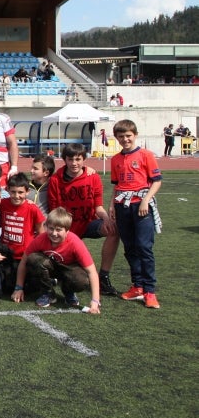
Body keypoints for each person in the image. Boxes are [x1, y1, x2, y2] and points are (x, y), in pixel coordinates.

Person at [47, 143, 119, 296]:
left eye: (78, 159)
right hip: (66, 227)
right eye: (70, 159)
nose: (74, 163)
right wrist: (64, 229)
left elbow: (98, 207)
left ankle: (104, 276)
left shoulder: (93, 177)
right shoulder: (56, 180)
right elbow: (55, 210)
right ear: (64, 160)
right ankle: (55, 275)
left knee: (114, 230)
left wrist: (107, 219)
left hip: (88, 222)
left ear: (84, 159)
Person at [110, 119, 163, 309]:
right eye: (121, 136)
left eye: (128, 136)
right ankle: (137, 285)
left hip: (140, 205)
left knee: (144, 247)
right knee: (130, 248)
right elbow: (117, 185)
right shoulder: (115, 159)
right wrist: (111, 206)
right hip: (121, 206)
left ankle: (150, 291)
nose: (125, 139)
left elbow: (156, 181)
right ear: (116, 137)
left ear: (135, 135)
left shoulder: (146, 155)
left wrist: (146, 200)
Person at [12, 208, 102, 313]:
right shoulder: (41, 239)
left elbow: (92, 272)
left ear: (67, 231)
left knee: (81, 280)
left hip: (69, 270)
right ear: (46, 227)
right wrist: (18, 288)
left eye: (59, 230)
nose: (54, 233)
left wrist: (95, 301)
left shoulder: (75, 243)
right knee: (33, 259)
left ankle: (68, 291)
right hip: (50, 267)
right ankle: (47, 292)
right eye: (51, 228)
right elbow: (23, 262)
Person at [0, 172, 46, 294]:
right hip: (7, 255)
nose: (16, 196)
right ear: (7, 190)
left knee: (33, 289)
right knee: (5, 288)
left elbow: (41, 233)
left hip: (25, 256)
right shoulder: (2, 203)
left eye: (20, 192)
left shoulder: (32, 208)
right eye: (13, 192)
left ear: (27, 192)